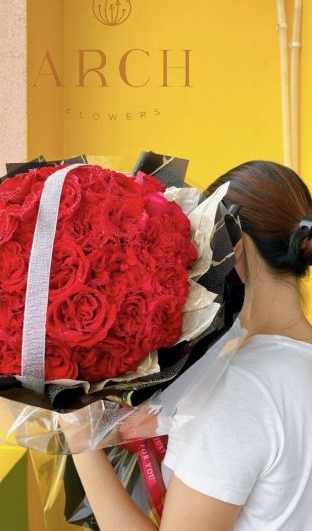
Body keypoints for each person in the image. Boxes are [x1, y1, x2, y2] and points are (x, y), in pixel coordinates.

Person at [70, 159, 312, 531]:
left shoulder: (240, 388)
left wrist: (79, 441)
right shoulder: (281, 369)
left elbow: (248, 418)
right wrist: (172, 421)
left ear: (237, 247)